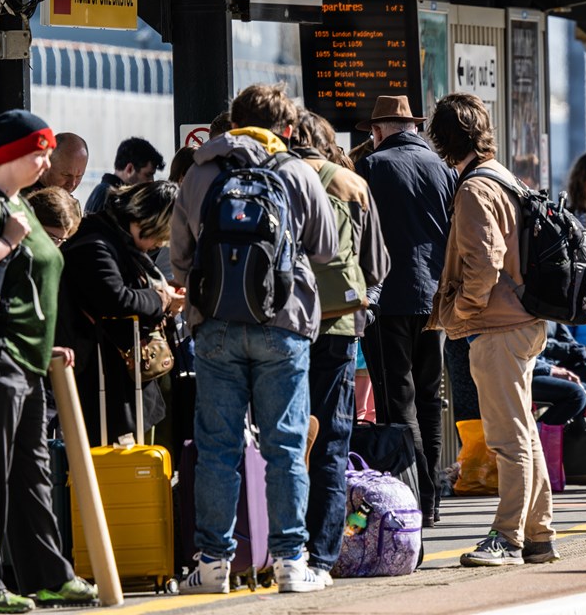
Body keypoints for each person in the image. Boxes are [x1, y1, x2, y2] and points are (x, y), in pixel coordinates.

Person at [172, 84, 338, 594]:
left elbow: (180, 257)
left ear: (232, 121)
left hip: (216, 327)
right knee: (284, 446)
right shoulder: (296, 173)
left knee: (217, 447)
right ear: (286, 128)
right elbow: (327, 248)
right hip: (282, 325)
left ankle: (213, 565)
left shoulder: (201, 172)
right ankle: (291, 562)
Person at [425, 93, 557, 568]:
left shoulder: (474, 189)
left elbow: (482, 266)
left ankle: (507, 537)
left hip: (497, 325)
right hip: (522, 320)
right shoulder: (503, 177)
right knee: (522, 432)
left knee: (507, 438)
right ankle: (539, 535)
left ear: (443, 139)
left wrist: (460, 312)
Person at [0, 110, 99, 613]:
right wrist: (7, 241)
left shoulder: (19, 205)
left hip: (27, 358)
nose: (48, 162)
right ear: (12, 152)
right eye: (40, 152)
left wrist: (43, 343)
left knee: (31, 470)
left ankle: (50, 574)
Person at [292, 110, 390, 583]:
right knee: (331, 438)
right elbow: (376, 266)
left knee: (283, 437)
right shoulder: (350, 184)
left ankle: (279, 548)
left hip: (282, 326)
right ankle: (321, 556)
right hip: (337, 327)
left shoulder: (277, 179)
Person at [355, 95, 456, 528]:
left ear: (378, 130)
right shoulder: (445, 169)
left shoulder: (372, 167)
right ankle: (432, 498)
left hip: (388, 298)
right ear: (412, 126)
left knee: (398, 400)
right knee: (430, 399)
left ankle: (415, 496)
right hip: (434, 299)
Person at [57, 181, 182, 445]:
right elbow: (117, 298)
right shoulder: (95, 244)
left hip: (121, 379)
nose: (157, 244)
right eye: (159, 236)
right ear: (146, 220)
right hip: (104, 380)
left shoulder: (111, 240)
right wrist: (161, 299)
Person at [85, 137, 165, 215]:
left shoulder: (104, 192)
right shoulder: (113, 199)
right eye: (147, 175)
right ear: (129, 169)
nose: (151, 181)